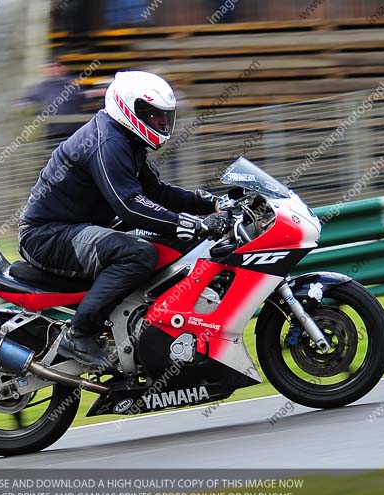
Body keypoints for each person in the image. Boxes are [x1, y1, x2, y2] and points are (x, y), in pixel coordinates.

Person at [18, 71, 230, 369]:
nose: (160, 123)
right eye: (153, 116)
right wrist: (189, 224)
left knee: (163, 243)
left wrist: (207, 202)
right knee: (138, 253)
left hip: (74, 230)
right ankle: (78, 334)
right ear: (127, 107)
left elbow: (156, 192)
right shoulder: (107, 142)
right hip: (48, 235)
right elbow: (129, 207)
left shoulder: (125, 139)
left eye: (163, 117)